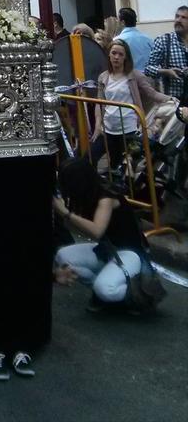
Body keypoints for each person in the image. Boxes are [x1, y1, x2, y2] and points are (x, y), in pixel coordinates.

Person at [53, 158, 153, 310]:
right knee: (63, 255)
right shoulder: (85, 195)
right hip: (107, 249)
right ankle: (101, 290)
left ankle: (137, 294)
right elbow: (77, 227)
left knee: (105, 290)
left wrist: (65, 213)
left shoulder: (106, 196)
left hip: (130, 252)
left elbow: (96, 231)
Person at [90, 38, 171, 170]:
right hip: (108, 129)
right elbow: (99, 103)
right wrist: (97, 125)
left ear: (126, 57)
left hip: (129, 130)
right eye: (114, 53)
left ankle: (125, 188)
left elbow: (152, 93)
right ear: (109, 55)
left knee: (124, 166)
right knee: (92, 156)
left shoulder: (135, 75)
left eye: (121, 54)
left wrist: (172, 99)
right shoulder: (103, 77)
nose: (116, 57)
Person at [144, 5, 188, 99]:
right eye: (177, 16)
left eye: (183, 17)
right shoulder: (164, 40)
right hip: (175, 100)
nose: (178, 20)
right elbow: (148, 69)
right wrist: (166, 72)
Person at [117, 7, 153, 72]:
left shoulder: (117, 41)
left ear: (122, 22)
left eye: (118, 20)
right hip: (148, 77)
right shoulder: (148, 39)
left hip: (128, 78)